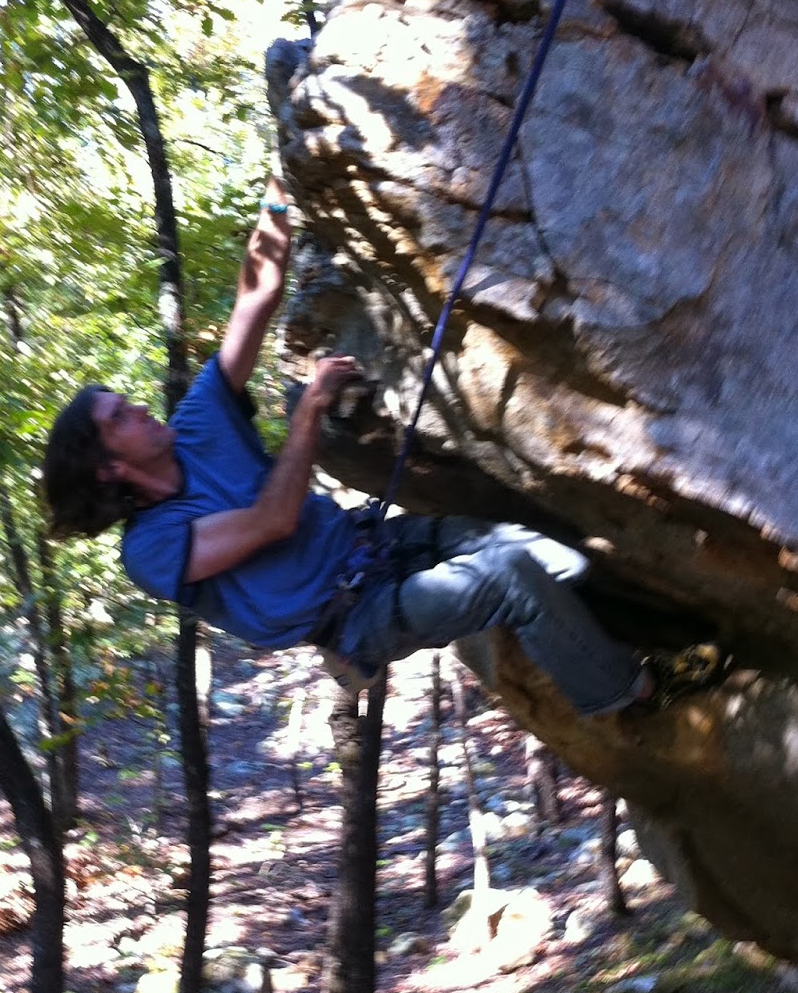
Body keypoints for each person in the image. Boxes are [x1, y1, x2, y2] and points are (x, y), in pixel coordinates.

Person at [42, 178, 719, 712]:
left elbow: (256, 297)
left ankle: (643, 644)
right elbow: (270, 521)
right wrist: (309, 407)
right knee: (509, 579)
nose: (136, 406)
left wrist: (279, 192)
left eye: (125, 402)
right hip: (356, 617)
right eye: (119, 417)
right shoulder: (150, 548)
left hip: (375, 544)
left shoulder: (196, 423)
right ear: (109, 469)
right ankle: (632, 695)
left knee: (551, 554)